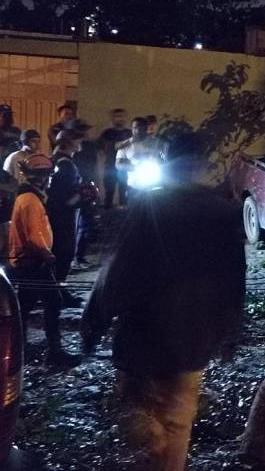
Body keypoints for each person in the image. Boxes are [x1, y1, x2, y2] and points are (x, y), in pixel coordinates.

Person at [81, 132, 245, 470]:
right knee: (177, 426)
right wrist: (228, 334)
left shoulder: (151, 205)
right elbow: (234, 280)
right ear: (203, 164)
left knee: (141, 427)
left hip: (145, 341)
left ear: (167, 161)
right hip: (193, 344)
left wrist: (94, 320)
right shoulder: (224, 213)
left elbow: (120, 269)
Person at [9, 154, 81, 368]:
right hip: (34, 261)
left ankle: (17, 349)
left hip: (28, 261)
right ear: (41, 178)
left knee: (24, 305)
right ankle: (54, 353)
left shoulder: (28, 197)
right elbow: (34, 236)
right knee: (52, 302)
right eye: (48, 176)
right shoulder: (31, 200)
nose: (50, 180)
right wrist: (47, 255)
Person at [48, 129, 85, 308]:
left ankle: (54, 292)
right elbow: (66, 200)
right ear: (68, 142)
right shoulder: (67, 165)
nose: (80, 142)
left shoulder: (52, 160)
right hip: (64, 220)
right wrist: (84, 194)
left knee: (56, 256)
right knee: (64, 256)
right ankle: (59, 295)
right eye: (77, 139)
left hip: (52, 219)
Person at [72, 120, 98, 270]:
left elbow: (93, 168)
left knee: (86, 225)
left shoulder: (89, 147)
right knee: (79, 225)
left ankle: (80, 256)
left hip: (87, 188)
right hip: (78, 190)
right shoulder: (73, 150)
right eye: (81, 131)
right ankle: (76, 258)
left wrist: (93, 187)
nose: (84, 134)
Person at [115, 117, 165, 191]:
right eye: (135, 128)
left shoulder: (157, 143)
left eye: (141, 128)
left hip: (155, 186)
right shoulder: (125, 145)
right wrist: (134, 168)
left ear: (146, 129)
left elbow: (166, 159)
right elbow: (118, 164)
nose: (138, 130)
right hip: (134, 187)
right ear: (131, 129)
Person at [99, 109, 132, 209]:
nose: (120, 119)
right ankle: (108, 215)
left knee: (125, 192)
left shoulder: (129, 133)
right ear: (113, 118)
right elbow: (102, 147)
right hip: (110, 165)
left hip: (126, 166)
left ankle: (125, 214)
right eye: (117, 116)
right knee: (109, 192)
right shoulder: (107, 133)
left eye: (122, 116)